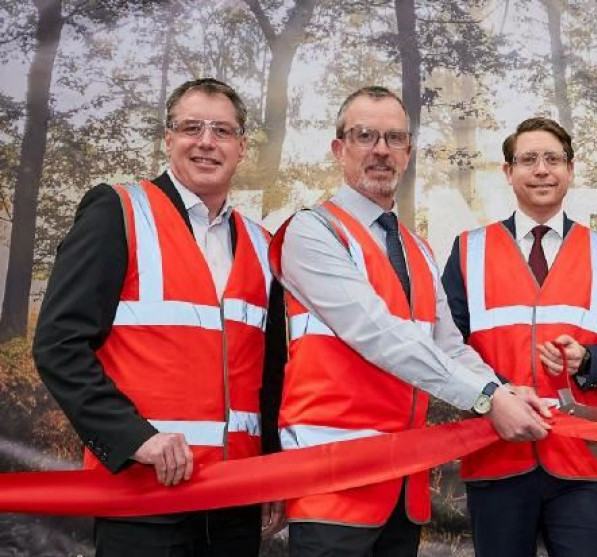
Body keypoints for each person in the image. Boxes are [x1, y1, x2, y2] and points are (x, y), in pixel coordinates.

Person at [270, 86, 553, 557]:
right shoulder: (312, 231)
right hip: (332, 485)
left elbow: (449, 345)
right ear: (339, 149)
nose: (381, 150)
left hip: (401, 486)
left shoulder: (416, 248)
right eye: (365, 136)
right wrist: (487, 398)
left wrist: (500, 387)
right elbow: (379, 334)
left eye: (394, 138)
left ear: (407, 152)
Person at [33, 78, 287, 556]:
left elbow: (271, 372)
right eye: (191, 127)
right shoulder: (118, 211)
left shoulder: (260, 242)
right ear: (167, 139)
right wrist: (134, 439)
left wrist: (272, 466)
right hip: (146, 498)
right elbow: (58, 344)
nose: (206, 141)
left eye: (222, 130)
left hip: (235, 498)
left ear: (241, 147)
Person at [441, 117, 597, 557]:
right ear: (508, 172)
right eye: (528, 160)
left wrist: (587, 360)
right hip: (497, 453)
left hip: (580, 461)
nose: (542, 170)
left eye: (553, 159)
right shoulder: (469, 250)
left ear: (570, 170)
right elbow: (444, 350)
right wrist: (492, 397)